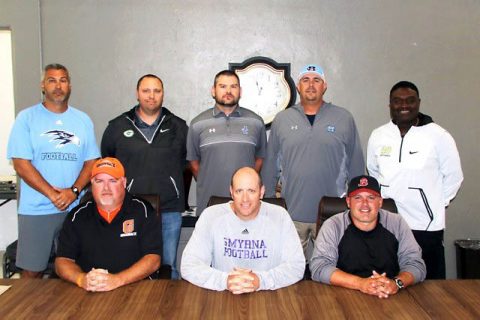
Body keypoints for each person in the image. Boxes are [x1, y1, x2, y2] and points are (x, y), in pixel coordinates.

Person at [7, 63, 100, 278]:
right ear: (43, 85)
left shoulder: (83, 120)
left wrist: (73, 192)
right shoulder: (26, 118)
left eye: (63, 80)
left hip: (74, 209)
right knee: (32, 271)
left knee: (74, 270)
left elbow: (91, 162)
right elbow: (21, 163)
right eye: (52, 80)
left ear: (69, 85)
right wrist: (53, 194)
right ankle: (28, 312)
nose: (58, 86)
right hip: (37, 210)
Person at [262, 64, 365, 257]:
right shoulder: (282, 119)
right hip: (291, 213)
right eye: (305, 80)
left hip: (331, 214)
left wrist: (357, 204)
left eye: (316, 80)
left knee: (331, 273)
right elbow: (270, 166)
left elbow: (356, 166)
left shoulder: (343, 118)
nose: (311, 85)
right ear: (298, 86)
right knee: (289, 273)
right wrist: (268, 206)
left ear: (324, 86)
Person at [367, 81, 463, 279]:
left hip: (426, 227)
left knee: (429, 289)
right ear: (390, 105)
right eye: (397, 101)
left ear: (418, 103)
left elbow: (454, 177)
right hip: (388, 224)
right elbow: (373, 173)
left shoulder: (439, 136)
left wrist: (434, 204)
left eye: (410, 101)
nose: (404, 106)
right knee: (389, 282)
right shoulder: (378, 135)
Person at [101, 74, 187, 279]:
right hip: (130, 208)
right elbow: (109, 161)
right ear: (137, 94)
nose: (151, 96)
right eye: (146, 91)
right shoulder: (117, 126)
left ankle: (169, 309)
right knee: (129, 266)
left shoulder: (178, 126)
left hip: (169, 209)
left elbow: (187, 163)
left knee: (168, 267)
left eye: (157, 91)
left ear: (163, 95)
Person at [181, 167, 304, 294]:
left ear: (262, 192)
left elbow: (297, 265)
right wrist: (226, 281)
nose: (245, 199)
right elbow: (189, 265)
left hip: (269, 298)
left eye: (251, 191)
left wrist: (260, 281)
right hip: (223, 295)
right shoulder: (211, 216)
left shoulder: (280, 216)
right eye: (239, 191)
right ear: (231, 192)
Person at [55, 157, 162, 292]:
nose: (106, 188)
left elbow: (153, 259)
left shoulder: (144, 211)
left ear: (123, 183)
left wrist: (117, 280)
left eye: (112, 180)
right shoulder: (77, 216)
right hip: (89, 290)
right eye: (99, 181)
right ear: (91, 184)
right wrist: (81, 279)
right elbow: (62, 261)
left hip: (135, 289)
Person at [310, 175, 426, 298]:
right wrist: (360, 283)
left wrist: (396, 283)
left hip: (389, 295)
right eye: (358, 198)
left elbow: (416, 264)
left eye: (371, 198)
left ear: (380, 202)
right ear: (348, 202)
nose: (365, 204)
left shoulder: (396, 223)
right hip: (344, 294)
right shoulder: (334, 226)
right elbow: (319, 267)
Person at [187, 70, 267, 215]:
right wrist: (209, 180)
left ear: (240, 91)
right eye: (223, 86)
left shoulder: (256, 122)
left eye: (233, 86)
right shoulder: (197, 124)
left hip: (245, 205)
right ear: (213, 91)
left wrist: (247, 182)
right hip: (209, 205)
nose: (228, 91)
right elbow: (193, 162)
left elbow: (260, 158)